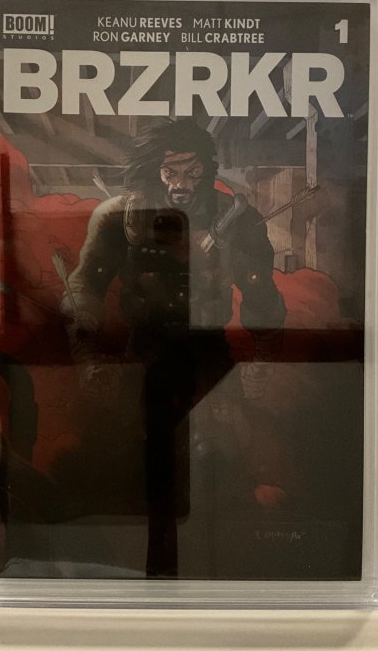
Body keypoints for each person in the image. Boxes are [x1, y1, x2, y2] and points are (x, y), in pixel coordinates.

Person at [60, 119, 286, 576]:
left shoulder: (239, 220)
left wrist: (262, 356)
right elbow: (84, 287)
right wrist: (88, 354)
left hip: (209, 357)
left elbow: (262, 297)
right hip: (143, 357)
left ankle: (220, 586)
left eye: (192, 171)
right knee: (137, 479)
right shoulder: (118, 217)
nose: (182, 183)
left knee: (220, 471)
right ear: (153, 171)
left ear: (207, 168)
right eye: (171, 172)